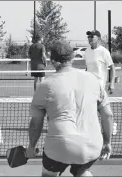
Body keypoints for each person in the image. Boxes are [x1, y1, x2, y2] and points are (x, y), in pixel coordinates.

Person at [26, 40, 113, 177]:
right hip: (92, 147)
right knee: (82, 171)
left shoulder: (45, 85)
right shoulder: (93, 80)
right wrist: (107, 143)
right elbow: (107, 115)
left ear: (52, 60)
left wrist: (31, 148)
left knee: (48, 173)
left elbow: (36, 124)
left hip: (59, 147)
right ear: (72, 58)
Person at [84, 30, 117, 135]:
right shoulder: (87, 51)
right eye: (88, 37)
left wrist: (111, 83)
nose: (89, 38)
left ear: (98, 38)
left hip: (100, 87)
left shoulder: (104, 51)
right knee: (92, 109)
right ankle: (96, 128)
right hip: (89, 86)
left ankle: (112, 125)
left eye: (92, 36)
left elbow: (112, 68)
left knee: (103, 111)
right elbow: (87, 68)